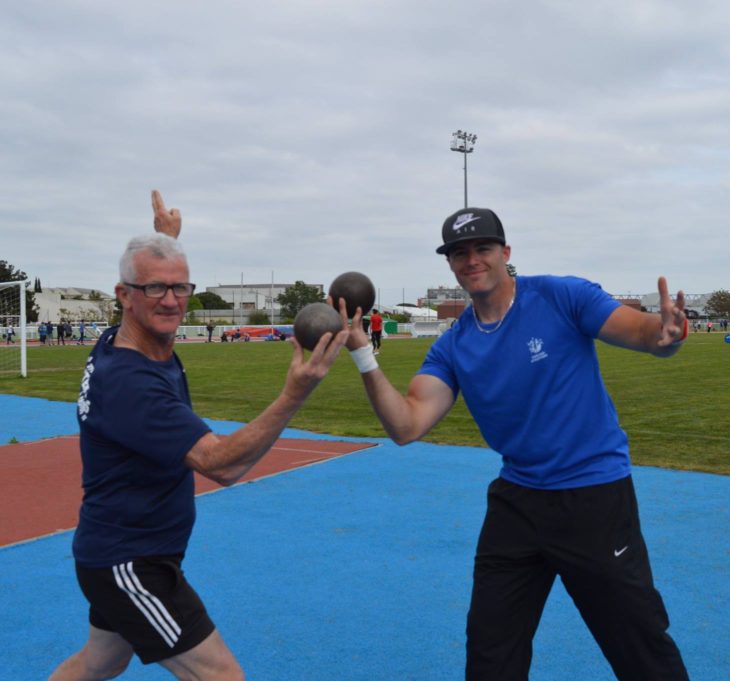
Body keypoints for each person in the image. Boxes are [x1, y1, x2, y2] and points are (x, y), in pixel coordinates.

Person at [333, 207, 690, 681]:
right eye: (459, 253)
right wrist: (362, 353)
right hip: (517, 504)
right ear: (451, 265)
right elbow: (407, 425)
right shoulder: (454, 345)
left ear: (506, 252)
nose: (472, 260)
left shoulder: (561, 295)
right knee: (490, 654)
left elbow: (644, 332)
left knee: (639, 647)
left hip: (593, 497)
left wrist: (666, 335)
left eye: (482, 248)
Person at [49, 190, 348, 681]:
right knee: (221, 676)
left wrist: (163, 239)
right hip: (130, 560)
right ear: (123, 296)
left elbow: (151, 282)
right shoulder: (131, 383)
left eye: (180, 287)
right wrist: (296, 391)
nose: (170, 300)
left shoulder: (125, 336)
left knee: (100, 662)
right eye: (154, 290)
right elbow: (222, 464)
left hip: (121, 551)